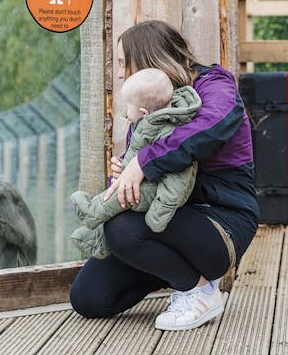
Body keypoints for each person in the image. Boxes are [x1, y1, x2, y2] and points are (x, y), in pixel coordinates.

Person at [69, 20, 259, 332]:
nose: (119, 73)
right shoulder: (147, 112)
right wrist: (123, 177)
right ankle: (175, 271)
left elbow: (208, 129)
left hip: (221, 222)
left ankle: (199, 292)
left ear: (147, 58)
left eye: (121, 62)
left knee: (121, 228)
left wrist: (142, 163)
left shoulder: (215, 86)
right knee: (89, 298)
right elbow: (139, 179)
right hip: (166, 226)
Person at [70, 68, 201, 259]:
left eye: (127, 107)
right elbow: (138, 154)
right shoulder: (149, 124)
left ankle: (92, 211)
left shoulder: (169, 131)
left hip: (158, 193)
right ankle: (99, 239)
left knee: (122, 196)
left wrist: (159, 214)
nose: (125, 112)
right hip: (150, 183)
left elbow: (178, 180)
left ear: (143, 111)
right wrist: (124, 166)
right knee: (121, 191)